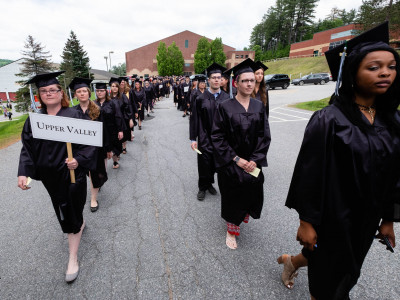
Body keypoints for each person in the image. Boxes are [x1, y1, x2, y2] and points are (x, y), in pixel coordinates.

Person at [282, 22, 400, 299]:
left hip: (366, 218)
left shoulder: (392, 120)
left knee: (348, 269)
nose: (385, 72)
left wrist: (387, 219)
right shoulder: (329, 119)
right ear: (352, 73)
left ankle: (292, 261)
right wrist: (307, 221)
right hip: (331, 215)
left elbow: (393, 173)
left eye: (391, 66)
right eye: (373, 67)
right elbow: (310, 173)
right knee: (328, 284)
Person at [18, 71, 97, 283]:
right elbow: (28, 148)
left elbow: (90, 144)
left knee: (71, 209)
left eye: (52, 89)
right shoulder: (35, 120)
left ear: (60, 92)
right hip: (50, 178)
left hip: (73, 175)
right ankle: (78, 222)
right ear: (39, 95)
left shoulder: (73, 115)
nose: (48, 93)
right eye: (44, 91)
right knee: (63, 208)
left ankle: (72, 257)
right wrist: (24, 172)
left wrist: (79, 159)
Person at [211, 59, 271, 250]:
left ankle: (241, 218)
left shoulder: (258, 107)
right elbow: (217, 137)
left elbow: (264, 135)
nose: (249, 84)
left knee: (250, 191)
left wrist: (254, 160)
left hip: (253, 162)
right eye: (245, 80)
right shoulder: (225, 107)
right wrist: (236, 159)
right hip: (231, 162)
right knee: (232, 196)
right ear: (235, 83)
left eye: (252, 80)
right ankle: (231, 230)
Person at [190, 63, 230, 201]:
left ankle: (210, 184)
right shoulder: (200, 98)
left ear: (221, 79)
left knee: (215, 163)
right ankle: (202, 187)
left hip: (221, 139)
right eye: (213, 77)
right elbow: (194, 119)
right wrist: (193, 139)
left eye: (219, 77)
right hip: (204, 136)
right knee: (203, 163)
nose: (216, 80)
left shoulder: (226, 98)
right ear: (209, 80)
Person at [69, 77, 110, 213]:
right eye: (79, 91)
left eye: (84, 91)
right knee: (82, 176)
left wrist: (107, 148)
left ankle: (93, 198)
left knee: (94, 175)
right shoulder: (72, 112)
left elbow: (104, 131)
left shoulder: (97, 110)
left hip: (95, 150)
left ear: (89, 93)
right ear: (75, 95)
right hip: (79, 151)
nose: (82, 93)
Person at [94, 82, 125, 177]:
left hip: (112, 130)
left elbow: (118, 116)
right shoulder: (94, 103)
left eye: (101, 91)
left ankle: (115, 161)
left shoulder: (112, 102)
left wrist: (120, 130)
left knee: (114, 147)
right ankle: (103, 172)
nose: (99, 93)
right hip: (100, 131)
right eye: (98, 91)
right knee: (103, 152)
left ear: (106, 91)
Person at [109, 77, 134, 157]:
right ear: (110, 87)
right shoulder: (108, 98)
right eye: (113, 86)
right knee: (115, 137)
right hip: (112, 121)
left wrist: (130, 119)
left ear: (118, 87)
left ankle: (124, 147)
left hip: (123, 118)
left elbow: (128, 107)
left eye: (116, 86)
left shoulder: (123, 96)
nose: (114, 88)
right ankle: (117, 153)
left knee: (123, 136)